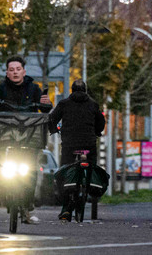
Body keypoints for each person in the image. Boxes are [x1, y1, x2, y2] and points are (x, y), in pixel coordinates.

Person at [0, 56, 51, 223]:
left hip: (29, 139)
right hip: (6, 139)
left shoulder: (34, 88)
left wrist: (46, 103)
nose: (15, 72)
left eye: (18, 69)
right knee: (0, 162)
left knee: (31, 171)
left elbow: (45, 108)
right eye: (11, 70)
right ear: (7, 73)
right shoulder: (1, 88)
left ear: (24, 71)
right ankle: (1, 185)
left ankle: (28, 206)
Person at [45, 78, 106, 221]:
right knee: (91, 166)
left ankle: (66, 209)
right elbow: (101, 123)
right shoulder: (93, 104)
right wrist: (96, 132)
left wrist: (54, 130)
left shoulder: (64, 104)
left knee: (65, 171)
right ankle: (89, 183)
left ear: (71, 90)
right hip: (88, 145)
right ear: (85, 90)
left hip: (69, 145)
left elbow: (52, 119)